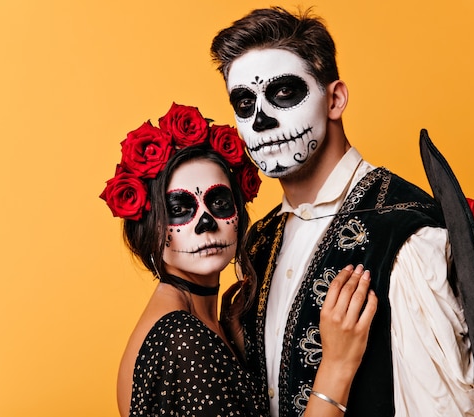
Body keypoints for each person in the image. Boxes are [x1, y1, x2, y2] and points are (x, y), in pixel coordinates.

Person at [211, 7, 474, 417]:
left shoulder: (405, 236)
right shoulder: (260, 240)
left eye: (284, 93)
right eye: (244, 102)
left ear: (335, 99)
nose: (262, 120)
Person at [100, 103, 378, 416]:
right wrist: (337, 365)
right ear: (148, 227)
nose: (205, 223)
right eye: (180, 209)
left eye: (218, 202)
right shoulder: (182, 339)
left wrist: (239, 345)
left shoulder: (200, 322)